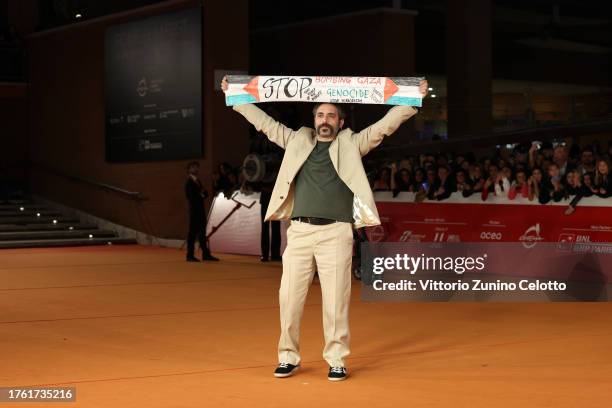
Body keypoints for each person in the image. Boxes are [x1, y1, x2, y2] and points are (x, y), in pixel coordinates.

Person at [222, 75, 427, 381]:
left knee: (335, 300)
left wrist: (412, 99)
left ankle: (337, 359)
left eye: (331, 115)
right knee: (288, 297)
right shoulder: (296, 141)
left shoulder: (352, 144)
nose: (324, 120)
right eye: (320, 115)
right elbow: (264, 123)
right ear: (314, 120)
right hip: (300, 232)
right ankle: (288, 357)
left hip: (336, 232)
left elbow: (384, 126)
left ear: (340, 122)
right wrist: (236, 97)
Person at [185, 161, 219, 262]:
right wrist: (201, 194)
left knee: (202, 233)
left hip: (200, 210)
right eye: (193, 167)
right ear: (189, 170)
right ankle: (189, 255)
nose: (196, 169)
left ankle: (206, 254)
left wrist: (202, 194)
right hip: (195, 211)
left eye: (197, 167)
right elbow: (191, 196)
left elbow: (205, 193)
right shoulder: (189, 182)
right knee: (192, 233)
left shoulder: (198, 181)